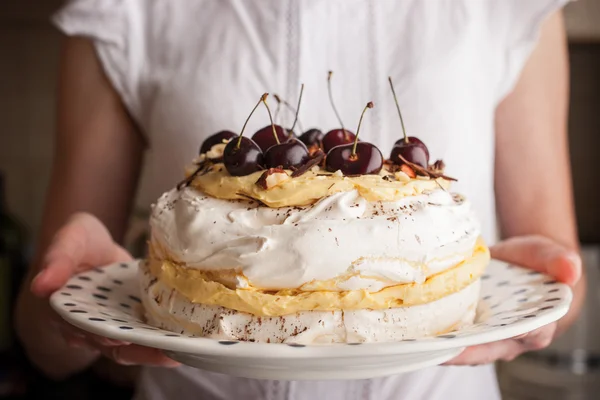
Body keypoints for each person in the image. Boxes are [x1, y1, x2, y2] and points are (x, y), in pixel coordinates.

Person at [15, 1, 585, 399]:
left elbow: (562, 280)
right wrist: (66, 294)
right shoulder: (125, 10)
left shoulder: (507, 7)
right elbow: (44, 341)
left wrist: (548, 287)